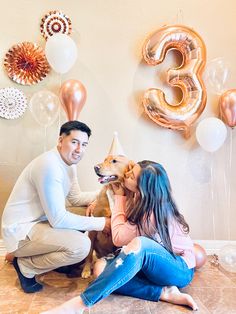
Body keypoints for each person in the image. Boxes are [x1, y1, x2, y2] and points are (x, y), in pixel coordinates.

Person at [42, 160, 198, 313]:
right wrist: (97, 201)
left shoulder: (152, 213)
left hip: (179, 269)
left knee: (141, 244)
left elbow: (118, 238)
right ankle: (162, 292)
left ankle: (80, 304)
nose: (127, 173)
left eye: (131, 175)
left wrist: (119, 197)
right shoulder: (140, 200)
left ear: (142, 188)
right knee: (100, 268)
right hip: (151, 268)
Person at [1, 120, 110, 293]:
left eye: (84, 144)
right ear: (60, 141)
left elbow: (75, 199)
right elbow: (58, 219)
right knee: (81, 246)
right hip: (21, 231)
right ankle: (25, 266)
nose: (79, 149)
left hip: (39, 222)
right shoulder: (49, 166)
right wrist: (103, 223)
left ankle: (52, 259)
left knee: (85, 211)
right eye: (74, 142)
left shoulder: (68, 165)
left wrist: (105, 194)